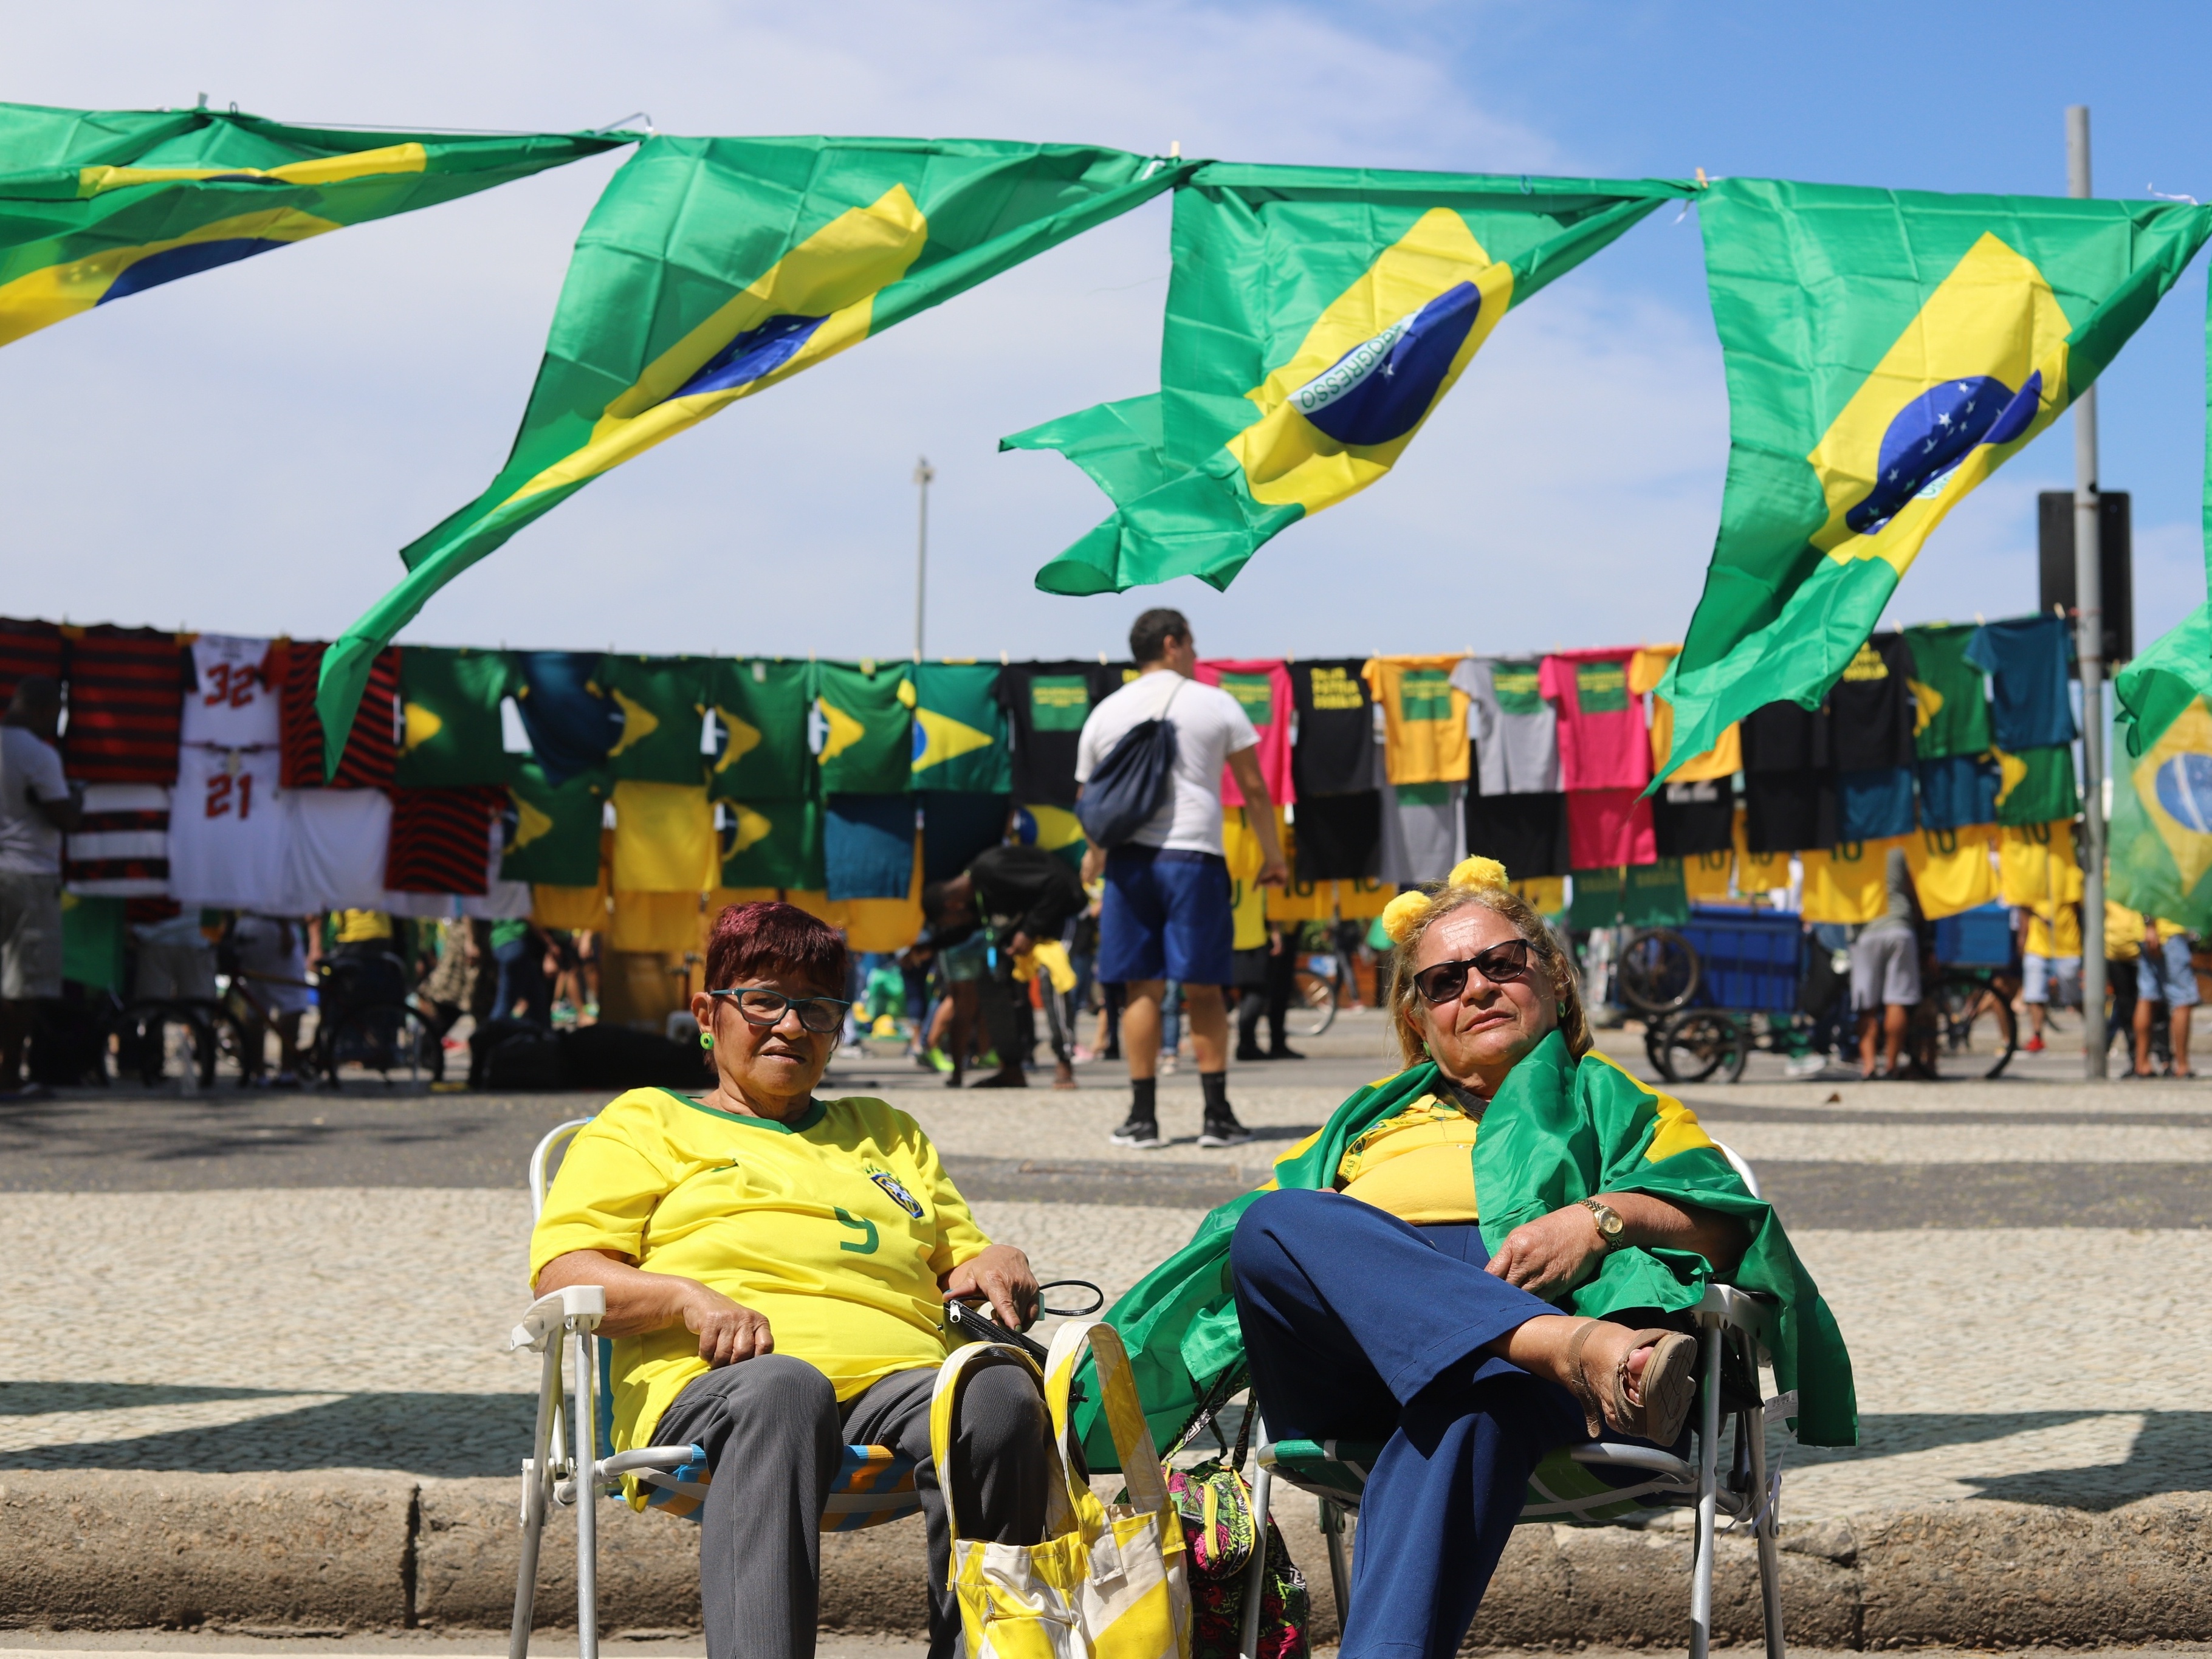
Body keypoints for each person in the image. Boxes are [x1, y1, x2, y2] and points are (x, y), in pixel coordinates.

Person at [1079, 857, 1853, 1659]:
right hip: (1372, 1373)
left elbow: (1730, 1224)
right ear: (1420, 1020)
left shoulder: (1611, 1096)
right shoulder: (1364, 1123)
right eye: (1445, 980)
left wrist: (1598, 1221)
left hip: (1538, 1391)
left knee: (1475, 1395)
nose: (1475, 988)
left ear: (1554, 978)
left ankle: (1536, 1350)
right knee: (1276, 1224)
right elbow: (1261, 1258)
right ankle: (1560, 1347)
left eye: (1500, 963)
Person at [531, 901, 1051, 1659]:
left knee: (999, 1394)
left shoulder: (887, 1131)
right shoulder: (646, 1123)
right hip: (721, 1388)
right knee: (786, 1388)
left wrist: (995, 1258)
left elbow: (959, 1266)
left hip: (897, 1388)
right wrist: (685, 1295)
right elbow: (564, 1275)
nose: (791, 1026)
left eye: (818, 1008)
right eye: (764, 1000)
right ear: (707, 1013)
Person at [1076, 608, 1288, 1149]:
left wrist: (1095, 857)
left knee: (1139, 986)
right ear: (1172, 643)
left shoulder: (1105, 712)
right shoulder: (1215, 703)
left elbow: (1091, 802)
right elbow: (1255, 789)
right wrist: (1273, 855)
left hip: (1129, 862)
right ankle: (1217, 1117)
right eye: (1191, 643)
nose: (1195, 654)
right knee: (1205, 988)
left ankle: (1143, 1119)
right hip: (1193, 858)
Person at [921, 841, 1088, 1089]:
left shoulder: (992, 869)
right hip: (1032, 927)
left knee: (1051, 976)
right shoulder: (979, 891)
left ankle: (1064, 1061)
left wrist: (1029, 932)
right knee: (992, 981)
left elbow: (1057, 886)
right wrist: (930, 946)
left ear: (953, 905)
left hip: (1065, 916)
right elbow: (970, 926)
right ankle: (1011, 1067)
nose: (958, 920)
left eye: (950, 920)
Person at [0, 676, 80, 1098]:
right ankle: (9, 1076)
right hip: (27, 873)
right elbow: (63, 817)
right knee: (21, 983)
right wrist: (77, 804)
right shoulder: (40, 756)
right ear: (47, 710)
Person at [1851, 847, 1923, 1079]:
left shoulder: (1855, 848)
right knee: (1897, 1000)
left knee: (1866, 1005)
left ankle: (1869, 1066)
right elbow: (1914, 888)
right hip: (1899, 925)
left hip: (1865, 930)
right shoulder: (1901, 846)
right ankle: (1891, 1065)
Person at [2134, 915, 2197, 1078]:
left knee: (2147, 996)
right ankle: (2182, 1066)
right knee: (2183, 1000)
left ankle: (2142, 1064)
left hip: (2147, 935)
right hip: (2168, 933)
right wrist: (2151, 925)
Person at [2019, 896, 2081, 1055]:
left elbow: (2081, 910)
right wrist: (2023, 937)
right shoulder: (2035, 878)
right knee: (2035, 995)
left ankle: (2096, 1036)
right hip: (2037, 945)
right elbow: (2025, 906)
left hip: (2068, 944)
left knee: (2074, 997)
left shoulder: (2072, 873)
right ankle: (2037, 1037)